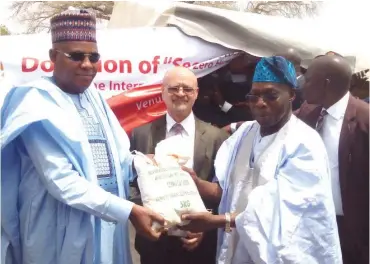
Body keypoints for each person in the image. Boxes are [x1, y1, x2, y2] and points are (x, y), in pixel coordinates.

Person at [1, 9, 164, 264]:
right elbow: (62, 180)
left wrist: (141, 163)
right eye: (76, 56)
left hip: (107, 222)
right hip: (59, 228)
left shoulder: (95, 97)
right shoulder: (35, 102)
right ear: (53, 56)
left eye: (93, 56)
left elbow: (117, 158)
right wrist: (128, 210)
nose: (87, 64)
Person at [178, 56, 342, 263]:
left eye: (271, 95)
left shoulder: (304, 143)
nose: (260, 103)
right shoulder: (244, 134)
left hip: (285, 254)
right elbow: (230, 192)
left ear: (291, 94)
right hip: (239, 248)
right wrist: (197, 184)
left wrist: (218, 221)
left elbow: (282, 213)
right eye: (253, 96)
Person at [130, 66, 229, 264]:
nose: (181, 94)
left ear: (196, 93)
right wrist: (143, 216)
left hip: (198, 245)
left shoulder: (216, 137)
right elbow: (131, 184)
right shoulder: (141, 134)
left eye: (187, 89)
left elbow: (224, 192)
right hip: (154, 243)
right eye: (174, 88)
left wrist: (205, 226)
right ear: (163, 91)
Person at [296, 54, 369, 264]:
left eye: (308, 79)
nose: (303, 85)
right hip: (311, 224)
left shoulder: (365, 120)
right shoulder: (308, 113)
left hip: (352, 230)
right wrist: (235, 126)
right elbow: (280, 121)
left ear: (325, 84)